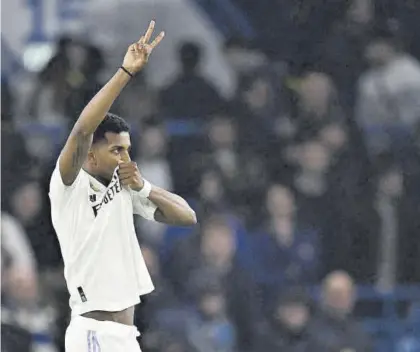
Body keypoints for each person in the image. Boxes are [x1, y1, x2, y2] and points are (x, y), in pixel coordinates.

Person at [48, 20, 197, 352]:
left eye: (127, 149)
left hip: (127, 336)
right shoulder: (68, 184)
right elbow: (83, 129)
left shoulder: (125, 187)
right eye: (116, 149)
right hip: (93, 332)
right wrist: (125, 74)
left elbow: (187, 216)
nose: (124, 157)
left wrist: (144, 188)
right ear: (90, 154)